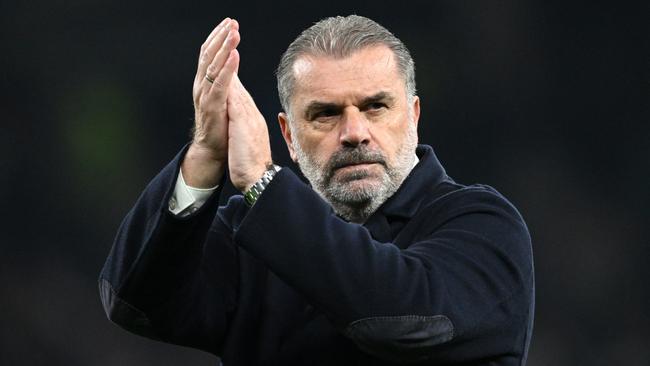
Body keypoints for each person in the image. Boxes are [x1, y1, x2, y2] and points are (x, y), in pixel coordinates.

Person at [99, 15, 534, 366]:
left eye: (375, 106)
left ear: (414, 115)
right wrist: (203, 155)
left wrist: (263, 183)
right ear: (287, 135)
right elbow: (134, 302)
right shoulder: (249, 235)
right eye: (325, 114)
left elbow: (400, 317)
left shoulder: (482, 224)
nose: (354, 132)